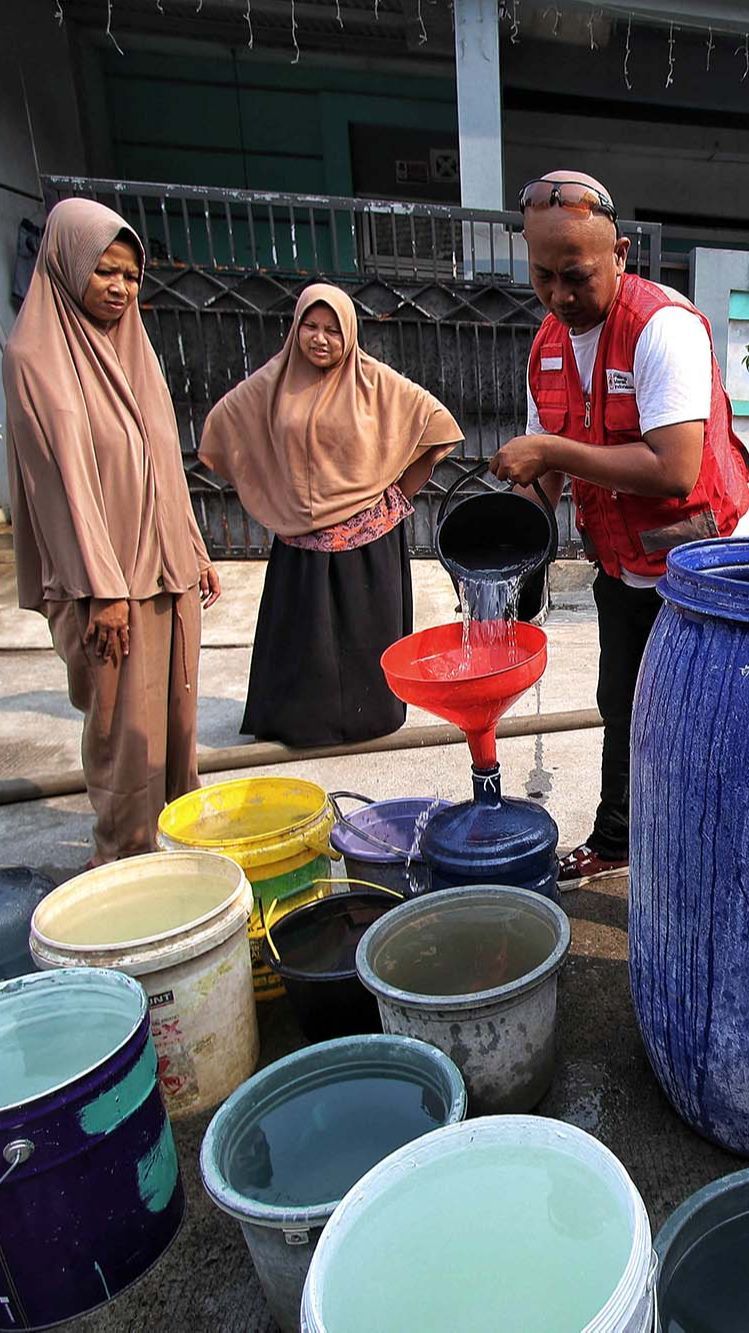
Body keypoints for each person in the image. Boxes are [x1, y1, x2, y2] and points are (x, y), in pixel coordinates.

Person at [490, 170, 749, 888]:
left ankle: (711, 855)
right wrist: (524, 525)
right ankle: (618, 839)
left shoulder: (659, 326)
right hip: (621, 562)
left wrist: (548, 452)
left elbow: (673, 467)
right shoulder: (547, 342)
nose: (558, 295)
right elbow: (543, 460)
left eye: (574, 277)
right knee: (622, 704)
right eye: (541, 276)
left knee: (704, 718)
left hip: (705, 566)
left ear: (620, 253)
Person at [2, 198, 221, 866]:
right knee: (128, 746)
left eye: (130, 275)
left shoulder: (132, 352)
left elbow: (162, 464)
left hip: (168, 574)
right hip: (108, 589)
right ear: (67, 265)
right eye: (105, 272)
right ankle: (124, 877)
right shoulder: (35, 358)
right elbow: (56, 489)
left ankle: (183, 866)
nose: (121, 288)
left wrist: (195, 547)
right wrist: (102, 591)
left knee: (177, 737)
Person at [199, 283, 463, 748]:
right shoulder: (275, 381)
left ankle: (369, 720)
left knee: (363, 642)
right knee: (306, 646)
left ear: (350, 335)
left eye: (332, 331)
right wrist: (271, 491)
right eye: (310, 327)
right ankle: (303, 724)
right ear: (296, 328)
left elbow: (436, 423)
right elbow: (223, 426)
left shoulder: (374, 381)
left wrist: (399, 496)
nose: (320, 339)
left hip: (367, 539)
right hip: (301, 542)